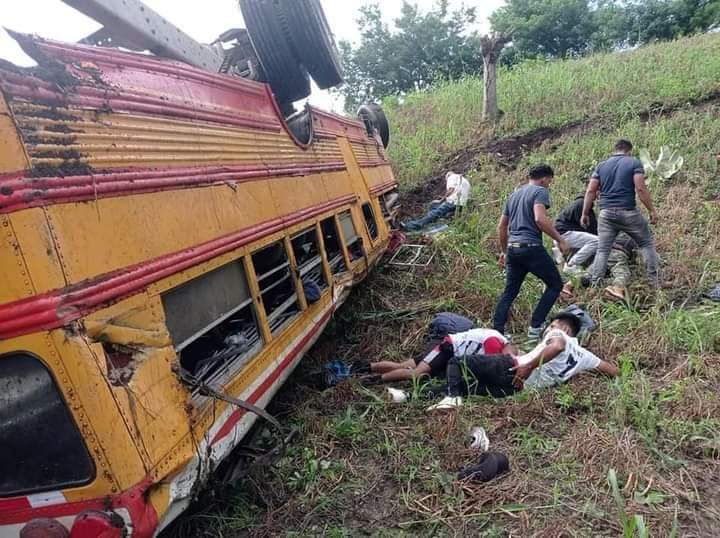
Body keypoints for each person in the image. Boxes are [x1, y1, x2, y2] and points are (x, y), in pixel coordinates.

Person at [410, 313, 620, 411]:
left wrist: (528, 366)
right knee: (465, 387)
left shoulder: (559, 334)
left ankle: (452, 398)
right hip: (519, 389)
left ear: (563, 328)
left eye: (551, 325)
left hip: (514, 368)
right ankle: (410, 396)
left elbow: (556, 346)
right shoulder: (585, 356)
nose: (548, 329)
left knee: (457, 362)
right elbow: (612, 371)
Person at [493, 164, 568, 341]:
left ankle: (498, 332)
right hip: (531, 247)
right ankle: (535, 327)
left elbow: (502, 226)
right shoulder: (539, 191)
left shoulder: (514, 195)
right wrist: (560, 239)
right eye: (549, 181)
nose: (549, 184)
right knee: (555, 284)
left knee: (509, 292)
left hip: (513, 249)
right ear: (543, 178)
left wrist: (504, 252)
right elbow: (540, 219)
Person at [581, 139, 659, 288]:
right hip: (627, 211)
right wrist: (651, 210)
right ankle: (653, 283)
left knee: (603, 249)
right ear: (629, 151)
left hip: (606, 214)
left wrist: (584, 213)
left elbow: (591, 190)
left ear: (615, 149)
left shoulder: (601, 165)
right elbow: (641, 189)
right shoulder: (633, 163)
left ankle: (595, 285)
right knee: (646, 243)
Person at [371, 327, 515, 382]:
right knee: (417, 374)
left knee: (403, 365)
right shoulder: (494, 343)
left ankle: (367, 367)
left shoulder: (500, 339)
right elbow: (488, 368)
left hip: (451, 349)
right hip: (447, 349)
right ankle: (375, 379)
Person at [401, 171, 470, 231]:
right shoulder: (465, 181)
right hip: (461, 204)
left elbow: (451, 189)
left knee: (434, 213)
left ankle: (411, 226)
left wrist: (441, 200)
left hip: (453, 201)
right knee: (440, 212)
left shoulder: (452, 177)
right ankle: (432, 222)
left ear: (447, 176)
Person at [555, 190, 598, 274]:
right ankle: (571, 265)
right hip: (564, 234)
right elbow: (589, 227)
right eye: (598, 191)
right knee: (596, 241)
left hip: (562, 233)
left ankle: (568, 264)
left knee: (591, 241)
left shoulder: (580, 203)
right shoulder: (581, 203)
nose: (599, 194)